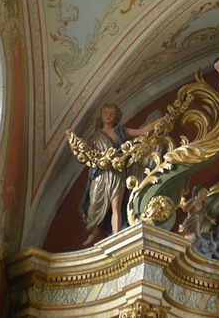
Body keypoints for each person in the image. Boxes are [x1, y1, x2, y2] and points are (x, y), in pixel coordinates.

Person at [69, 103, 168, 246]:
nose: (108, 115)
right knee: (94, 205)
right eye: (105, 112)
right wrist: (70, 138)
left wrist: (162, 121)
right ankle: (94, 229)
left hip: (117, 172)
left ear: (116, 117)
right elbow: (84, 152)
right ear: (102, 116)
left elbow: (143, 131)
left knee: (116, 205)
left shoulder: (121, 131)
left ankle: (116, 235)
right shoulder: (94, 136)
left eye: (111, 113)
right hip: (100, 173)